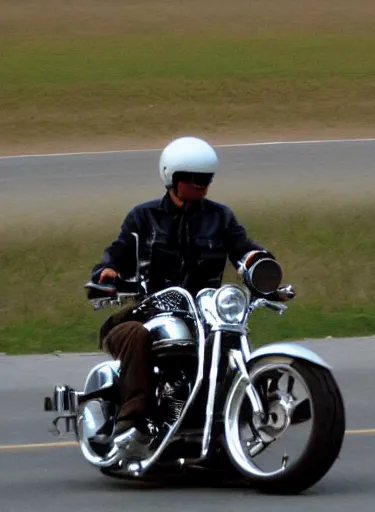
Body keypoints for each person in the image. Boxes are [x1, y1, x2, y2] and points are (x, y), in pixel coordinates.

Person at [88, 136, 288, 448]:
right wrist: (107, 273)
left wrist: (261, 267)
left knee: (231, 339)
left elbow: (244, 250)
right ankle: (129, 423)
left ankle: (241, 411)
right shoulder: (144, 217)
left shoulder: (220, 217)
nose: (202, 186)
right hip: (148, 314)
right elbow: (118, 252)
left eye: (207, 179)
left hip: (205, 316)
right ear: (172, 178)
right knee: (136, 336)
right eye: (194, 179)